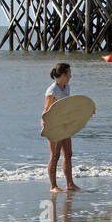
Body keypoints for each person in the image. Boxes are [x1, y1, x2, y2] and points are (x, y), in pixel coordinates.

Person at [44, 62, 83, 193]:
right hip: (54, 125)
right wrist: (47, 127)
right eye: (69, 73)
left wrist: (85, 111)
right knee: (54, 155)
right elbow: (46, 111)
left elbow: (68, 106)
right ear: (63, 74)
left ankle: (70, 184)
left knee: (68, 154)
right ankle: (53, 186)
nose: (70, 76)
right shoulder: (52, 90)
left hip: (65, 124)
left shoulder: (66, 87)